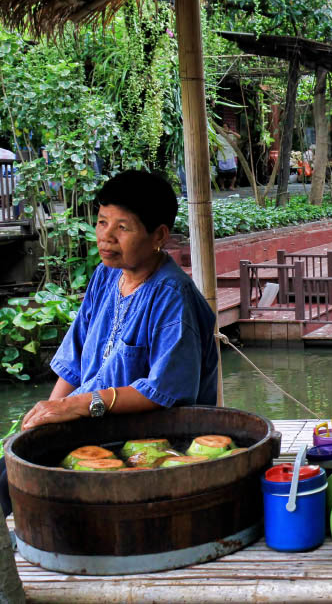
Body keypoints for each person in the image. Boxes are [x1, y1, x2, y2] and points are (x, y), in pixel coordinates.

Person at [0, 170, 218, 516]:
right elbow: (74, 359)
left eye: (122, 227)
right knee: (14, 462)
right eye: (102, 222)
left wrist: (77, 407)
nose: (106, 237)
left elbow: (164, 392)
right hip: (92, 423)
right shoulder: (106, 274)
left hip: (152, 440)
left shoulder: (172, 297)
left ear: (158, 235)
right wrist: (46, 416)